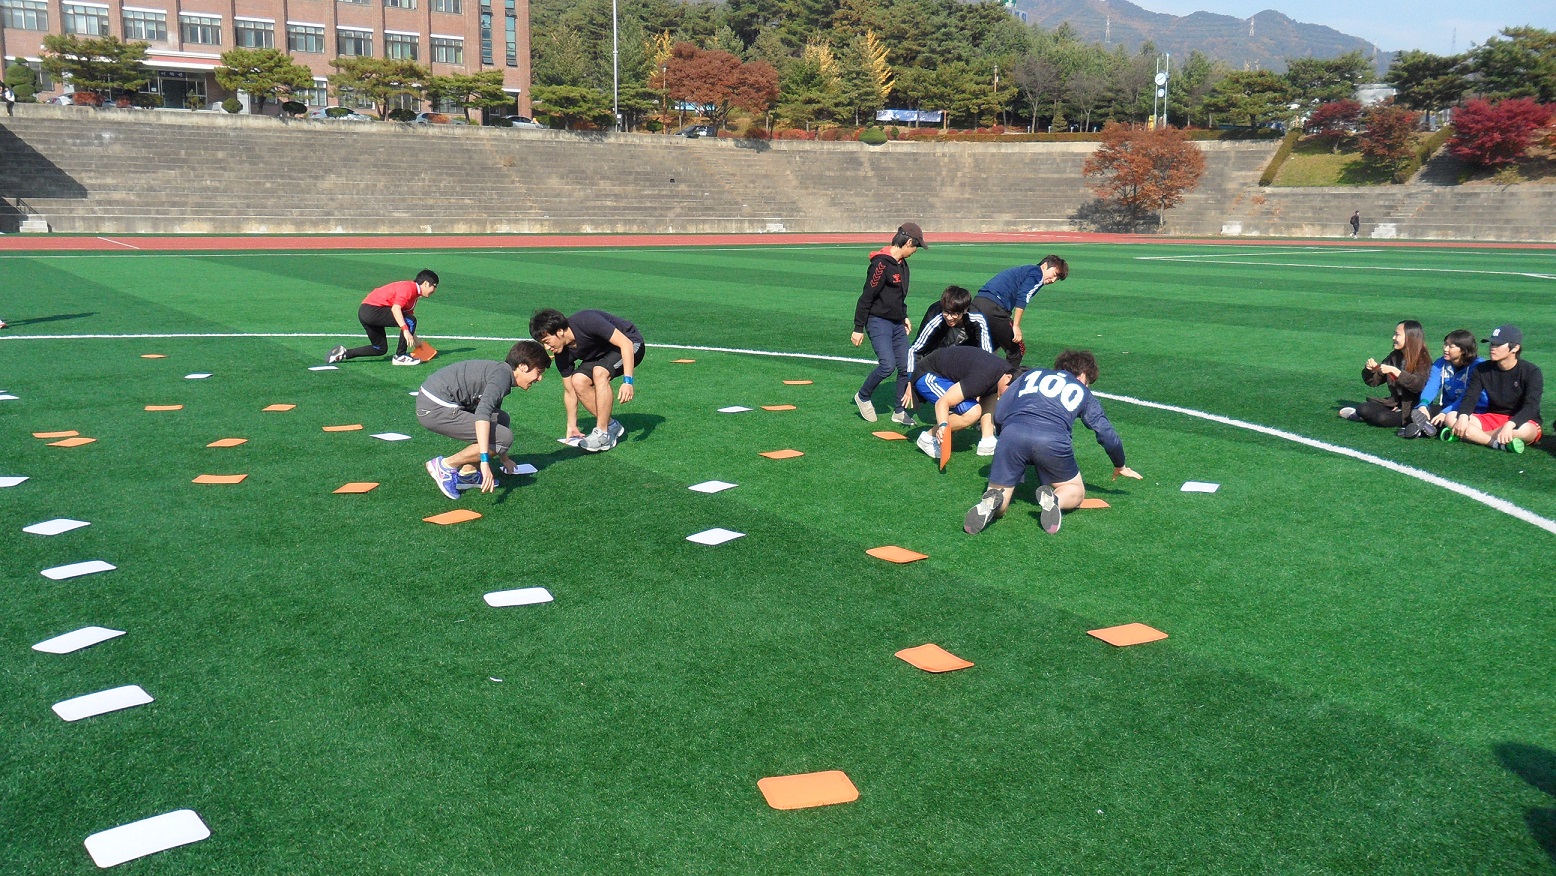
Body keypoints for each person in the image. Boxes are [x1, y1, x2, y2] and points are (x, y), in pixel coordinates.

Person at [964, 349, 1140, 535]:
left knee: (1002, 498)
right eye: (1088, 382)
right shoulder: (1082, 391)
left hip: (1012, 434)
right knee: (1075, 490)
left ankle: (993, 501)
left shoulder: (1031, 374)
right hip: (1051, 440)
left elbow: (1000, 411)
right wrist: (1119, 464)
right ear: (1082, 376)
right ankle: (1055, 500)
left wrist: (1006, 438)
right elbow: (1106, 433)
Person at [417, 340, 549, 500]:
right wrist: (485, 461)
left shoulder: (503, 373)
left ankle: (468, 473)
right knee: (504, 437)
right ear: (522, 366)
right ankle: (445, 465)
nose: (540, 378)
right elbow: (482, 414)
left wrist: (504, 459)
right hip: (434, 408)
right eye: (539, 372)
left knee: (501, 418)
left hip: (437, 401)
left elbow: (491, 414)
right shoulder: (502, 377)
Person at [530, 307, 643, 452]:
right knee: (577, 380)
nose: (546, 347)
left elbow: (625, 343)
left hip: (631, 344)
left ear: (559, 331)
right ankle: (612, 426)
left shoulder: (587, 321)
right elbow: (569, 390)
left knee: (599, 372)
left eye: (547, 341)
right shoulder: (562, 354)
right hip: (602, 354)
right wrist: (572, 424)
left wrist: (628, 382)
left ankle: (603, 435)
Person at [851, 222, 926, 425]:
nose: (915, 251)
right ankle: (863, 396)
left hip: (896, 323)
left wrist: (904, 316)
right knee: (887, 366)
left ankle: (899, 411)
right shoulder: (880, 265)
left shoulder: (903, 265)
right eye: (915, 247)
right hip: (878, 321)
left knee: (904, 366)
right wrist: (858, 328)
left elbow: (898, 297)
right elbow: (866, 297)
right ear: (908, 242)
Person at [906, 345, 1023, 461]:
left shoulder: (1003, 373)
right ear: (1007, 378)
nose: (1009, 396)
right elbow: (943, 402)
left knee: (991, 393)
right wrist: (943, 425)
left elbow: (988, 393)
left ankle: (988, 439)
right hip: (929, 375)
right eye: (1010, 391)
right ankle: (928, 438)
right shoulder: (982, 377)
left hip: (949, 376)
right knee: (972, 412)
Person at [1445, 324, 1543, 453]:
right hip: (1493, 417)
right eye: (1491, 344)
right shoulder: (1482, 369)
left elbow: (1531, 406)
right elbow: (1470, 397)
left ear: (1515, 348)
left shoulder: (1531, 371)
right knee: (1451, 417)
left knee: (1525, 431)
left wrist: (1511, 424)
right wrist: (1463, 416)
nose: (1492, 348)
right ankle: (1496, 443)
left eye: (1498, 345)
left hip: (1522, 421)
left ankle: (1472, 435)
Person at [971, 255, 1069, 366]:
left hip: (977, 303)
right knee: (1017, 350)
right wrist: (1016, 325)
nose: (1054, 280)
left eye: (1057, 279)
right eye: (1055, 274)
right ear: (1044, 265)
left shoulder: (1026, 271)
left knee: (986, 344)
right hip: (994, 308)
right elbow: (1023, 297)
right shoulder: (1037, 274)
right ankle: (1006, 381)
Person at [326, 269, 438, 366]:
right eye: (434, 286)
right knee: (410, 320)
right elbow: (396, 310)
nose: (435, 290)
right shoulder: (409, 288)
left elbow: (407, 321)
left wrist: (418, 342)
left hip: (366, 312)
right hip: (372, 310)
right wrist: (405, 330)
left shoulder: (414, 294)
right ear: (426, 284)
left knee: (379, 348)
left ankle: (344, 353)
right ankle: (400, 357)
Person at [1338, 320, 1431, 428]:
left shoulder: (1423, 359)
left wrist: (1396, 372)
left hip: (1413, 408)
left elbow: (1418, 386)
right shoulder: (1394, 356)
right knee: (1363, 408)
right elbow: (1373, 382)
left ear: (1410, 338)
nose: (1393, 338)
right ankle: (1362, 414)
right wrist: (1370, 370)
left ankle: (1363, 416)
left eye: (1397, 335)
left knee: (1383, 419)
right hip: (1395, 404)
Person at [1398, 329, 1486, 438]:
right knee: (1421, 412)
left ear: (1463, 350)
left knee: (1446, 419)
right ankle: (1428, 427)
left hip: (1473, 409)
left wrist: (1445, 413)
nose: (1445, 349)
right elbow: (1432, 386)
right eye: (1445, 344)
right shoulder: (1440, 363)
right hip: (1447, 407)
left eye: (1450, 346)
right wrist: (1423, 404)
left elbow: (1468, 396)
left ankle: (1423, 429)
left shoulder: (1478, 366)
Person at [905, 285, 994, 377]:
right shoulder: (936, 316)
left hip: (964, 358)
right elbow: (915, 350)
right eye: (946, 312)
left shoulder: (977, 318)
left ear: (965, 310)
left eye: (955, 314)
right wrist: (911, 380)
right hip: (936, 358)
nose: (949, 317)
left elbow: (986, 354)